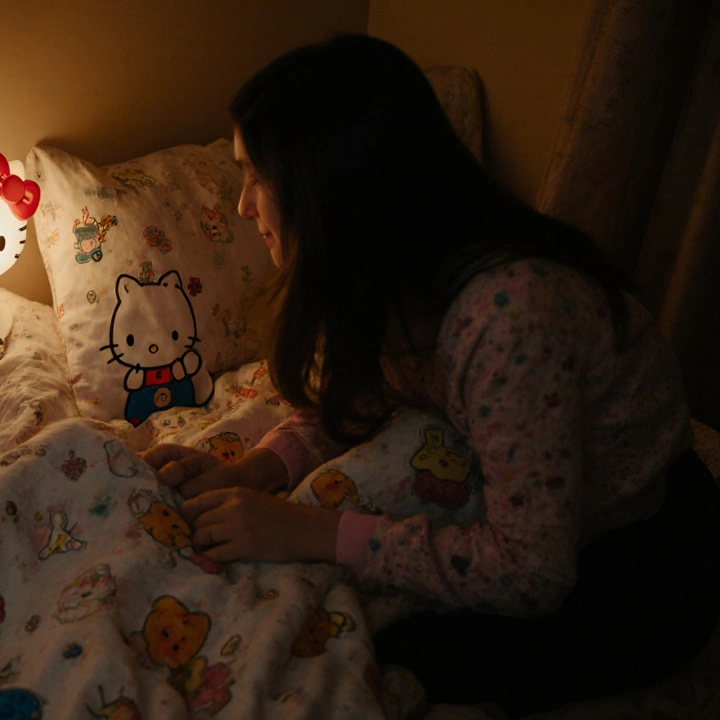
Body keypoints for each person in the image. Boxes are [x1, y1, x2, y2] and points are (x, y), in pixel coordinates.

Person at [141, 33, 720, 717]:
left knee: (383, 655)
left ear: (329, 188)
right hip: (548, 504)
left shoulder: (509, 318)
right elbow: (358, 395)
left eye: (255, 178)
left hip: (642, 550)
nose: (243, 208)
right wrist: (260, 470)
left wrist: (310, 531)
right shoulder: (381, 277)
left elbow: (532, 573)